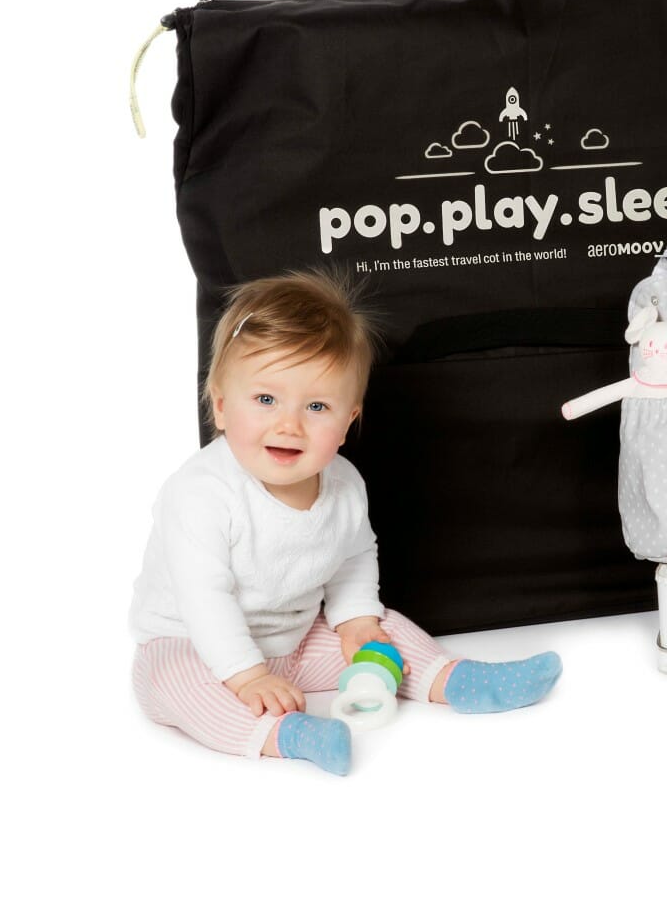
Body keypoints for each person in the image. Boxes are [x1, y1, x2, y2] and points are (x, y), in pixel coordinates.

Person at [130, 270, 562, 775]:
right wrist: (246, 676)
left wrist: (357, 620)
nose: (289, 424)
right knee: (174, 684)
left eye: (317, 406)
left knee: (384, 633)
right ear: (221, 406)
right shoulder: (200, 493)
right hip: (193, 644)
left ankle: (455, 680)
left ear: (348, 420)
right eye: (266, 400)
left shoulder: (343, 483)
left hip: (294, 641)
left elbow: (353, 555)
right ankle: (287, 735)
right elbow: (204, 599)